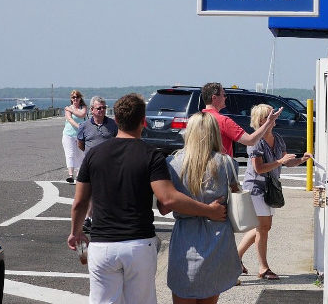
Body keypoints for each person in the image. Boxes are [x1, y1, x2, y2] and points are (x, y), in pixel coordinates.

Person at [67, 93, 227, 304]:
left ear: (116, 121)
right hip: (138, 244)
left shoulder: (94, 155)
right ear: (143, 121)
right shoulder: (151, 155)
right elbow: (168, 199)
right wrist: (209, 211)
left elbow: (79, 202)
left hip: (102, 245)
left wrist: (76, 233)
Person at [159, 112, 241, 303]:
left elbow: (164, 208)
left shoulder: (172, 163)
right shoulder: (227, 163)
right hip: (218, 238)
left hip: (186, 240)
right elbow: (236, 195)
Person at [237, 104, 310, 280]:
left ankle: (235, 258)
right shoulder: (255, 141)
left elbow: (286, 161)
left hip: (270, 189)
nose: (276, 117)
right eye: (272, 114)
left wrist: (301, 160)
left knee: (263, 226)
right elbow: (259, 169)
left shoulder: (278, 138)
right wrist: (280, 161)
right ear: (262, 120)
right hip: (255, 188)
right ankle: (263, 268)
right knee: (263, 227)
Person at [200, 82, 282, 160]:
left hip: (199, 168)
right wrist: (269, 121)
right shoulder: (223, 121)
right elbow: (250, 141)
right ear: (214, 97)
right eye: (224, 95)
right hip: (219, 169)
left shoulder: (195, 120)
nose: (226, 98)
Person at [76, 96, 118, 233]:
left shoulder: (113, 125)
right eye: (99, 108)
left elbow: (119, 142)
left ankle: (103, 219)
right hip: (91, 166)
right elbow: (81, 144)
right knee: (91, 194)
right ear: (92, 110)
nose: (102, 110)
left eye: (104, 108)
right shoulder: (84, 126)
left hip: (109, 166)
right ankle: (89, 219)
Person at [62, 90, 88, 184]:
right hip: (68, 134)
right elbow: (69, 119)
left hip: (80, 135)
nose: (75, 99)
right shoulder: (67, 109)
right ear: (71, 98)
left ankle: (79, 175)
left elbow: (82, 114)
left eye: (77, 97)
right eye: (73, 97)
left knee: (81, 155)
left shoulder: (83, 107)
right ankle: (70, 175)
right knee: (70, 154)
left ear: (80, 98)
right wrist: (79, 127)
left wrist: (72, 110)